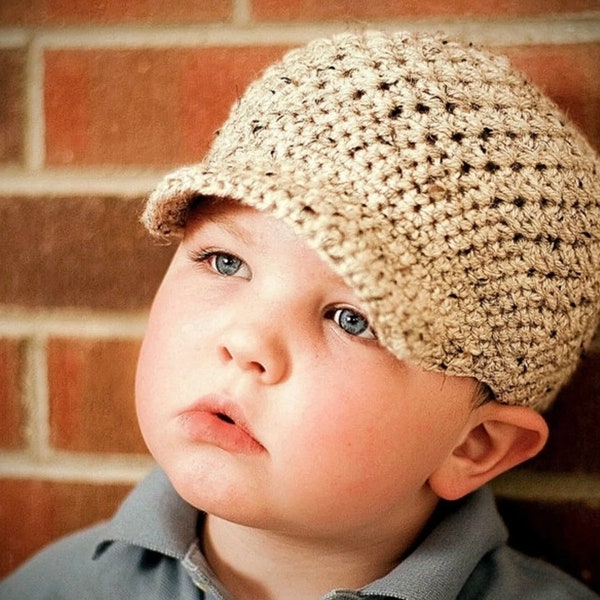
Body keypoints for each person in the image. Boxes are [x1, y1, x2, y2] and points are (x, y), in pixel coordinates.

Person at [2, 30, 599, 600]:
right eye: (225, 261)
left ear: (474, 445)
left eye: (351, 319)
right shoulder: (53, 589)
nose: (246, 341)